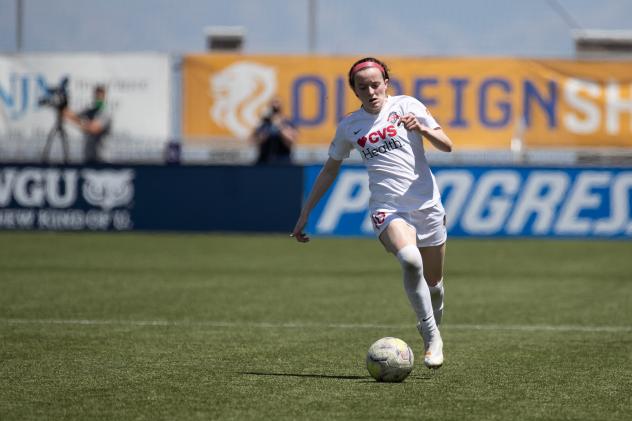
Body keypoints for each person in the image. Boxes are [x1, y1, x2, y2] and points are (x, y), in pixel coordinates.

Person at [291, 57, 453, 369]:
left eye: (375, 84)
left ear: (386, 83)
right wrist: (305, 213)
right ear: (354, 90)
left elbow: (447, 145)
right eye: (362, 86)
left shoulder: (409, 106)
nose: (371, 91)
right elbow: (329, 169)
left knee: (434, 285)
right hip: (387, 208)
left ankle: (433, 323)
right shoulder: (350, 126)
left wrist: (421, 128)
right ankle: (431, 335)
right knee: (409, 260)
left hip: (427, 206)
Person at [64, 84, 112, 164]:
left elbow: (93, 129)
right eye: (96, 96)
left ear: (104, 97)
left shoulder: (106, 113)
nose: (98, 99)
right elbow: (74, 116)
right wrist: (62, 107)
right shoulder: (90, 111)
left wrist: (81, 123)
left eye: (100, 96)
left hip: (102, 159)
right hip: (88, 158)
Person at [251, 98, 297, 165]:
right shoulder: (265, 123)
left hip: (283, 159)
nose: (275, 111)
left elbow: (291, 141)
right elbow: (255, 140)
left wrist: (279, 127)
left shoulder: (286, 123)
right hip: (265, 159)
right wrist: (268, 128)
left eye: (277, 109)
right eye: (273, 108)